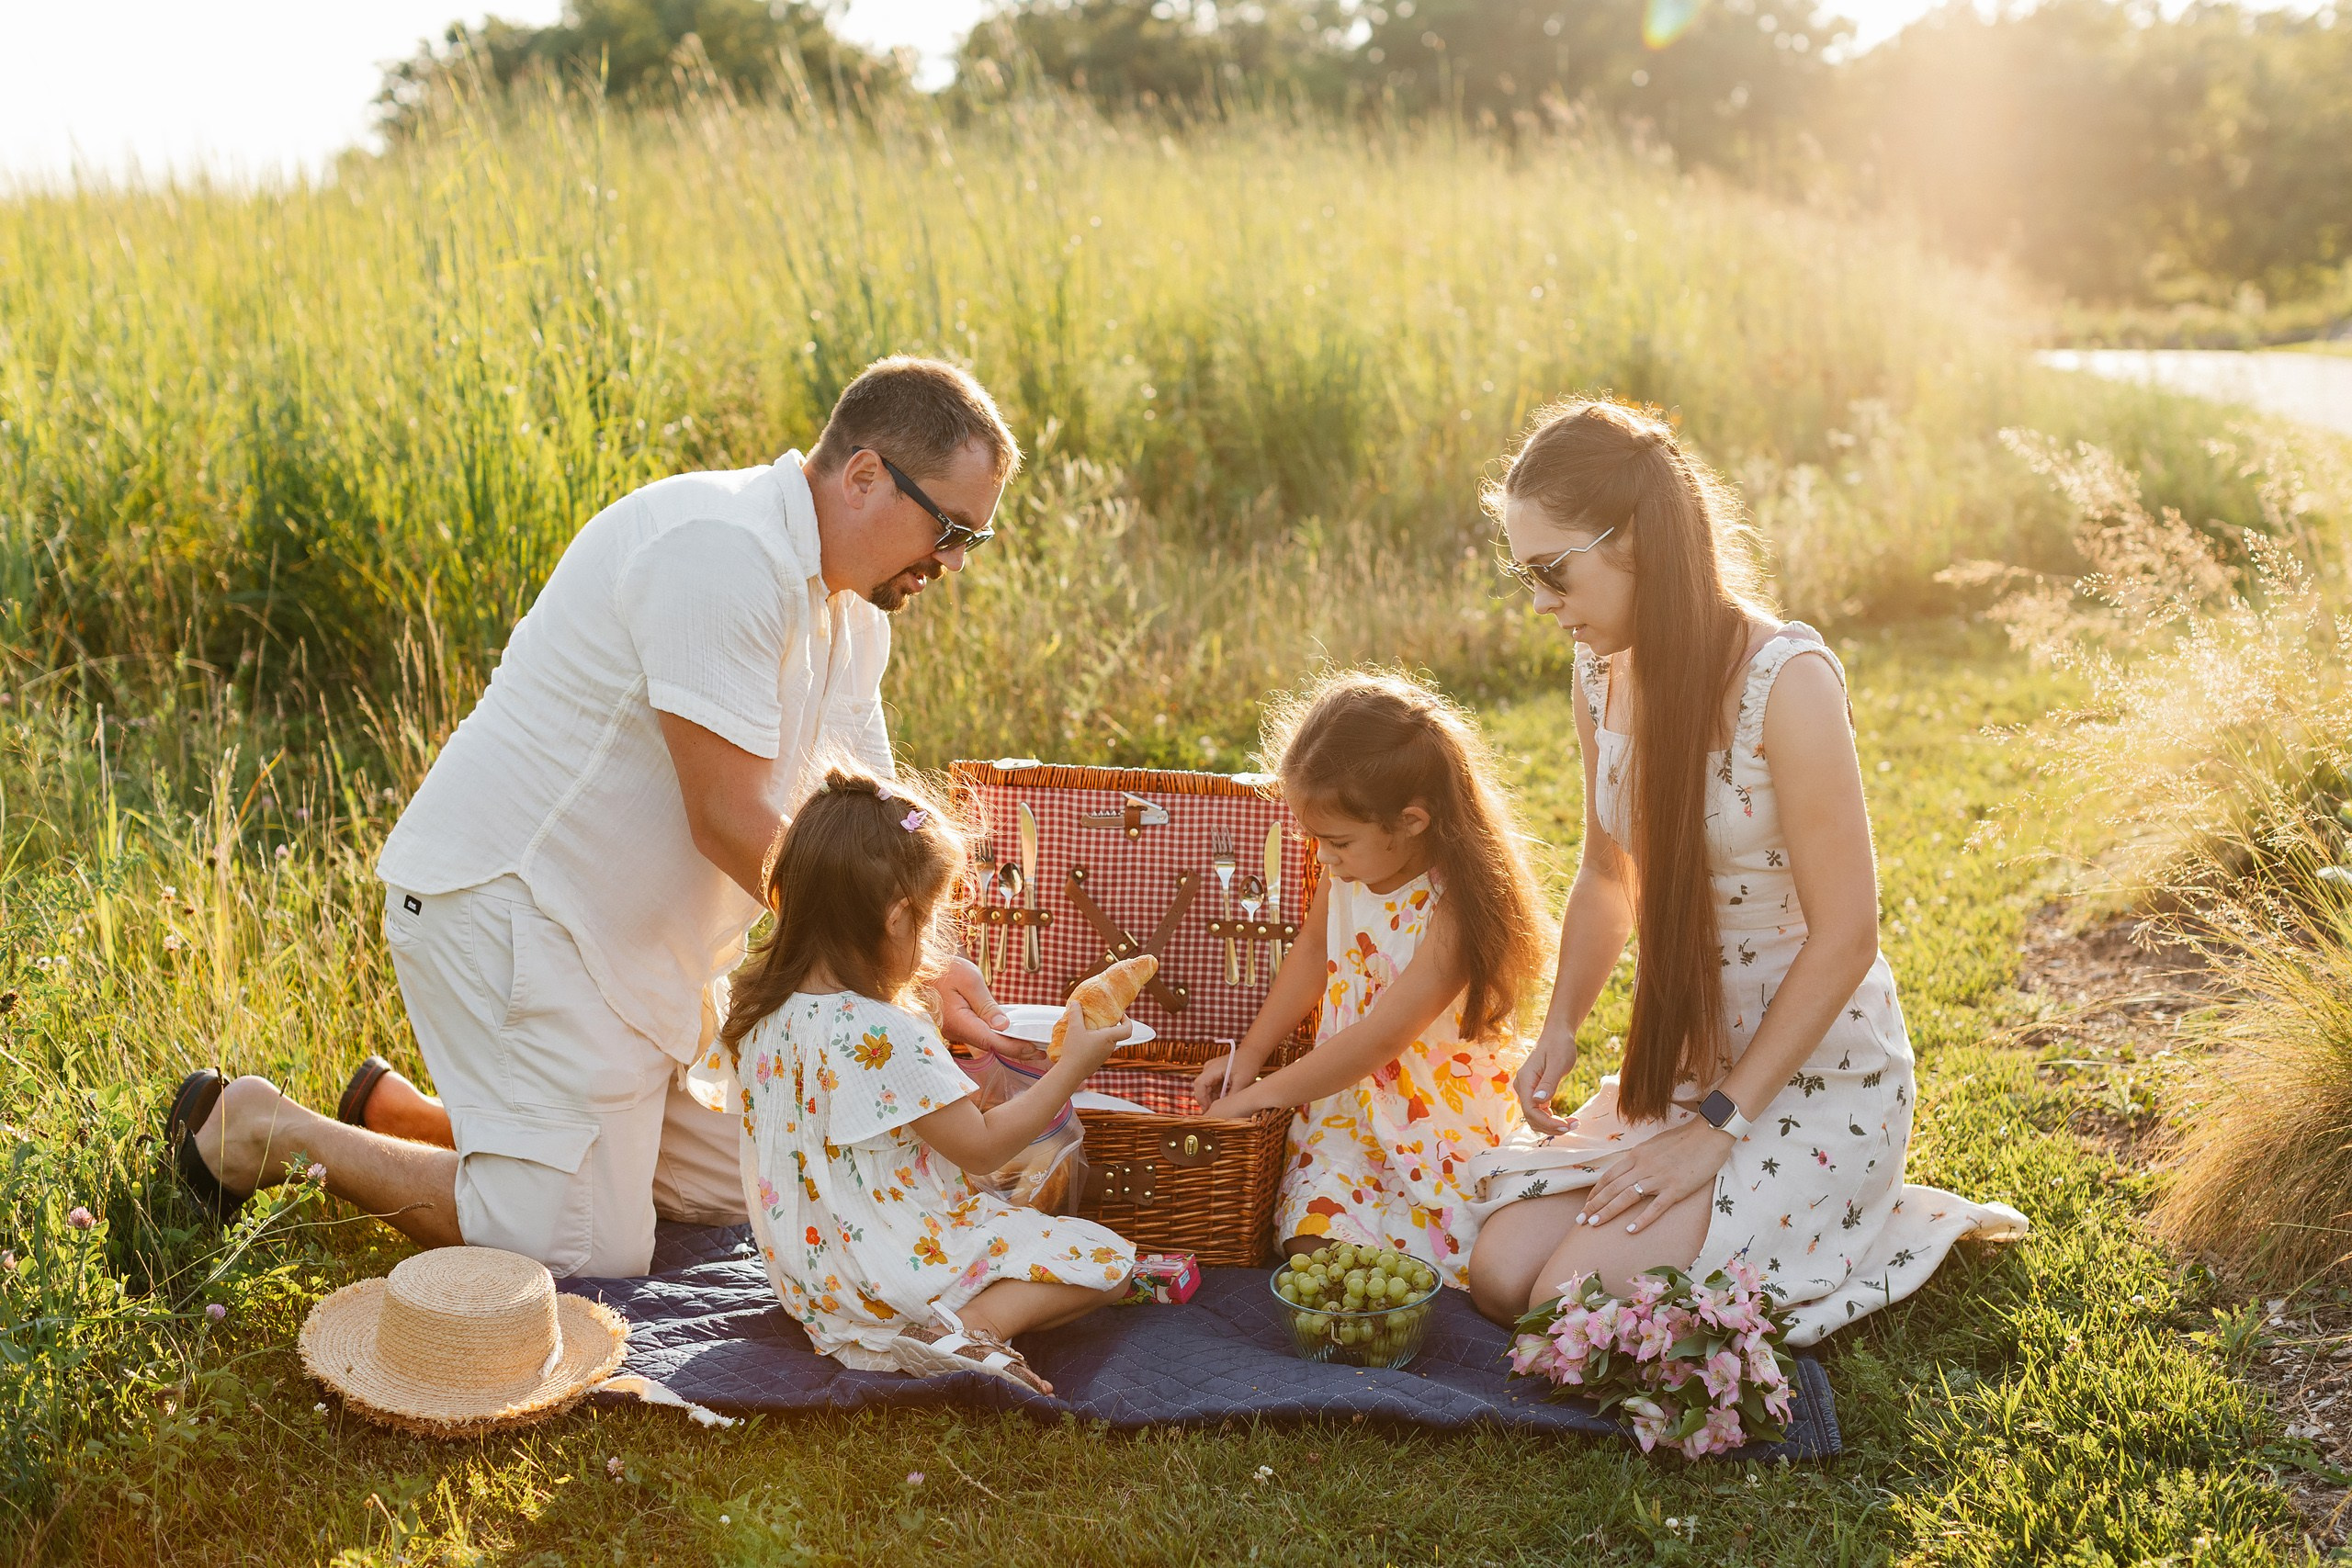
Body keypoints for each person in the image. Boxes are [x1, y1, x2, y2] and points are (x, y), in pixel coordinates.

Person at [166, 356, 1038, 1279]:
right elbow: (731, 822)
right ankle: (258, 1130)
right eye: (947, 528)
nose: (949, 561)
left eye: (969, 542)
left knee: (760, 1179)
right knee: (581, 1252)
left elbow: (861, 838)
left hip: (638, 960)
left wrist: (935, 971)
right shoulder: (722, 552)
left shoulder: (856, 621)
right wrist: (896, 976)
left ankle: (416, 1119)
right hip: (518, 918)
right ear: (863, 475)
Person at [1461, 398, 2026, 1345]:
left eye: (1553, 573)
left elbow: (1847, 935)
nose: (1542, 604)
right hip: (1685, 1059)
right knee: (1499, 1275)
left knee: (1568, 1308)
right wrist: (1561, 1024)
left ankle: (1868, 1214)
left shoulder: (1786, 681)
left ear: (1635, 537)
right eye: (1527, 578)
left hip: (1808, 1075)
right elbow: (1608, 874)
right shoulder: (1600, 672)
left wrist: (1717, 1125)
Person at [725, 768, 1136, 1394]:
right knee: (1108, 1261)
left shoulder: (761, 1015)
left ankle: (928, 1326)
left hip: (815, 1285)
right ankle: (963, 1327)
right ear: (896, 918)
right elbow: (984, 1145)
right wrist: (1072, 1068)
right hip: (898, 1277)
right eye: (932, 919)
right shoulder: (885, 1031)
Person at [1195, 671, 1546, 1287]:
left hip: (1433, 1110)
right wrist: (1249, 1055)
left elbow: (1382, 1038)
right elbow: (1310, 952)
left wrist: (1257, 1097)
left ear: (1412, 821)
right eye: (1314, 839)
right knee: (1309, 1240)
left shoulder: (1454, 904)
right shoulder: (1351, 866)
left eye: (1336, 841)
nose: (1322, 856)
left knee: (1438, 1248)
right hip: (1347, 1100)